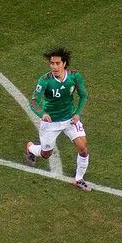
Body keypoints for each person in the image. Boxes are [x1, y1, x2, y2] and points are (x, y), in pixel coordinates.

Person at [24, 47, 91, 191]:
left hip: (70, 119)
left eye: (57, 63)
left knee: (83, 149)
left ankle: (79, 179)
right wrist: (43, 114)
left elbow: (83, 96)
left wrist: (78, 113)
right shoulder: (45, 81)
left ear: (64, 64)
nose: (54, 66)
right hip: (51, 122)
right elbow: (34, 102)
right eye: (52, 63)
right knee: (46, 154)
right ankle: (30, 148)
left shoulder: (74, 77)